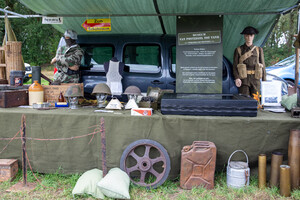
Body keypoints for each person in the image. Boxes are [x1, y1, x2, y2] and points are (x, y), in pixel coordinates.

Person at [233, 26, 266, 97]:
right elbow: (235, 65)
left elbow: (263, 64)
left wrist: (264, 79)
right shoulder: (239, 50)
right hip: (243, 79)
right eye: (247, 35)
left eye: (251, 35)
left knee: (256, 100)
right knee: (244, 101)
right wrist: (237, 78)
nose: (249, 38)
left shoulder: (258, 50)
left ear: (253, 36)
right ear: (244, 36)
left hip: (255, 79)